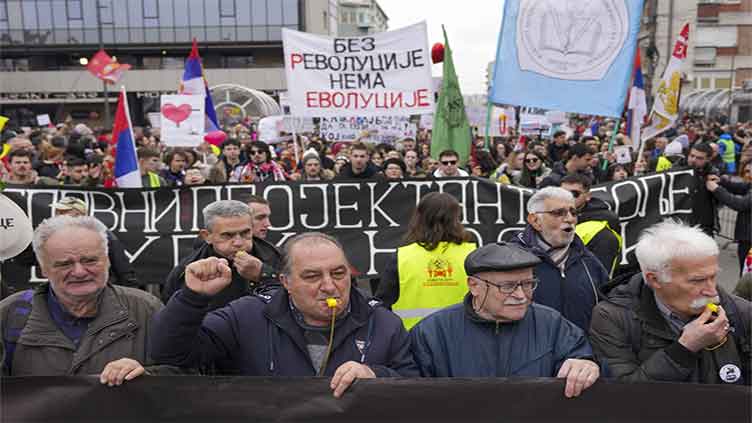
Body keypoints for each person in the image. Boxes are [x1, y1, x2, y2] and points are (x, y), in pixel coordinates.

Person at [149, 232, 418, 396]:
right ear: (286, 282)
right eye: (312, 276)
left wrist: (375, 375)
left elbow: (415, 386)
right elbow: (168, 352)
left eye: (338, 273)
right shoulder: (246, 316)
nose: (328, 285)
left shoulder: (383, 323)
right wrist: (191, 298)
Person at [409, 243, 600, 398]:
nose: (521, 296)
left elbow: (582, 356)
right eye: (507, 286)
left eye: (528, 284)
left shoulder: (553, 324)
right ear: (474, 286)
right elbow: (411, 397)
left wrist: (585, 364)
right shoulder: (431, 333)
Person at [0, 216, 172, 384]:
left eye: (89, 261)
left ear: (107, 261)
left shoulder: (146, 309)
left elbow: (185, 374)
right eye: (64, 264)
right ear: (44, 268)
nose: (79, 272)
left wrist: (147, 374)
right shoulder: (10, 314)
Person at [589, 220, 751, 385]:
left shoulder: (741, 312)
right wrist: (684, 349)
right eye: (698, 280)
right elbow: (624, 394)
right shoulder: (612, 317)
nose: (712, 291)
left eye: (713, 277)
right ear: (655, 280)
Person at [510, 187, 609, 330]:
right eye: (558, 213)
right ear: (535, 220)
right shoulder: (511, 261)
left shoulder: (589, 262)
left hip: (582, 351)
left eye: (573, 212)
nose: (569, 219)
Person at [376, 192, 476, 329]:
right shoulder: (473, 255)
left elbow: (381, 308)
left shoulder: (402, 257)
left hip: (413, 341)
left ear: (419, 219)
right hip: (463, 337)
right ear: (455, 219)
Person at [161, 200, 281, 311]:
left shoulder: (277, 258)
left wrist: (265, 274)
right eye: (227, 235)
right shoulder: (186, 271)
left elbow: (295, 301)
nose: (238, 243)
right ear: (207, 236)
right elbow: (173, 319)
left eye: (245, 233)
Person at [560, 173, 622, 278]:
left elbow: (600, 274)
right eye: (562, 193)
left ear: (588, 196)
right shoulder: (548, 216)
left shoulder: (605, 222)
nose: (567, 198)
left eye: (574, 194)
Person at [706, 170, 751, 275]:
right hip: (746, 237)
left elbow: (740, 204)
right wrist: (721, 181)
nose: (747, 174)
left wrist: (717, 189)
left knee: (747, 274)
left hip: (749, 239)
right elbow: (742, 187)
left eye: (749, 171)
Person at [686, 143, 719, 237]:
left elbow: (720, 201)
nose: (693, 160)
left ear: (708, 159)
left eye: (699, 158)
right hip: (681, 224)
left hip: (704, 225)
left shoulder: (713, 173)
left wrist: (718, 188)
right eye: (692, 156)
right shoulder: (676, 170)